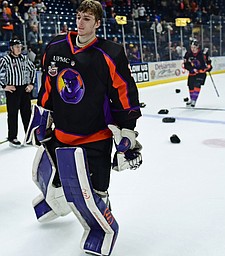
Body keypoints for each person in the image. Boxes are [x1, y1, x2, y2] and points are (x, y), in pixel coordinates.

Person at [24, 0, 142, 255]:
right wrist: (41, 120)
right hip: (62, 133)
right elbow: (47, 87)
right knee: (47, 173)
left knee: (95, 191)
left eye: (87, 19)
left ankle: (102, 227)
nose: (80, 23)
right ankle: (57, 203)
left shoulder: (110, 53)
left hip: (95, 137)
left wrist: (127, 133)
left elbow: (124, 93)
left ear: (98, 23)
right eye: (78, 17)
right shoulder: (56, 46)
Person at [0, 38, 36, 147]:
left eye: (20, 47)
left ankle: (29, 136)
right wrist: (4, 86)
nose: (19, 49)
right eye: (17, 47)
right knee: (13, 114)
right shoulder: (5, 60)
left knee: (27, 114)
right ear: (11, 48)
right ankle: (12, 137)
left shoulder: (24, 58)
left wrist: (31, 84)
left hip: (24, 90)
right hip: (13, 90)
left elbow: (33, 70)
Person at [183, 39, 212, 107]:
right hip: (192, 73)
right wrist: (192, 69)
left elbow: (208, 63)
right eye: (191, 47)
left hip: (201, 72)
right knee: (190, 86)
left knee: (197, 84)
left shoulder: (203, 54)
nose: (192, 49)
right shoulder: (188, 54)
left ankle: (194, 100)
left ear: (197, 47)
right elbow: (186, 64)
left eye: (194, 47)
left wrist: (208, 67)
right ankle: (191, 99)